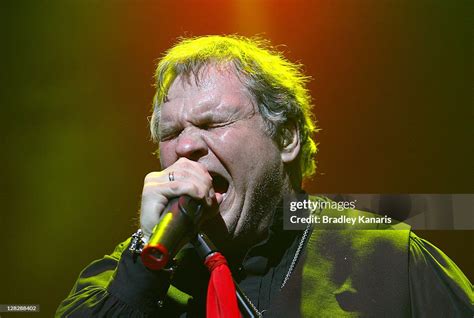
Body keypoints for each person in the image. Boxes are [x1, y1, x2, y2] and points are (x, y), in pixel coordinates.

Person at [56, 35, 472, 317]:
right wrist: (146, 262)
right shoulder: (122, 275)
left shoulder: (391, 258)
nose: (185, 147)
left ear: (286, 136)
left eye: (213, 122)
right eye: (170, 132)